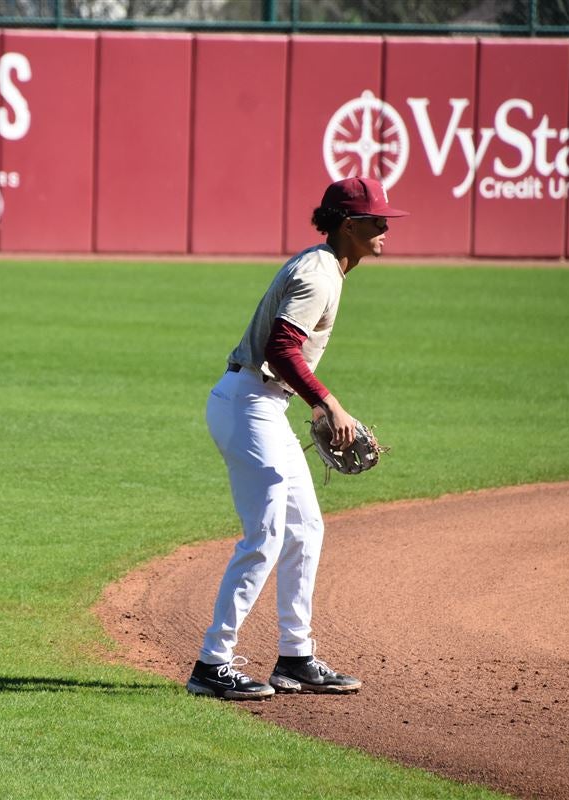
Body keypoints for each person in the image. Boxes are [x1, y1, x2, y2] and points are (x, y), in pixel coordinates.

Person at [186, 176, 408, 700]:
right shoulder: (318, 274)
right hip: (248, 405)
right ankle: (211, 665)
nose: (385, 229)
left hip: (263, 405)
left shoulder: (327, 266)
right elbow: (282, 348)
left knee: (305, 527)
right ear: (349, 226)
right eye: (377, 221)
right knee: (263, 537)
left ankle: (295, 657)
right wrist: (328, 403)